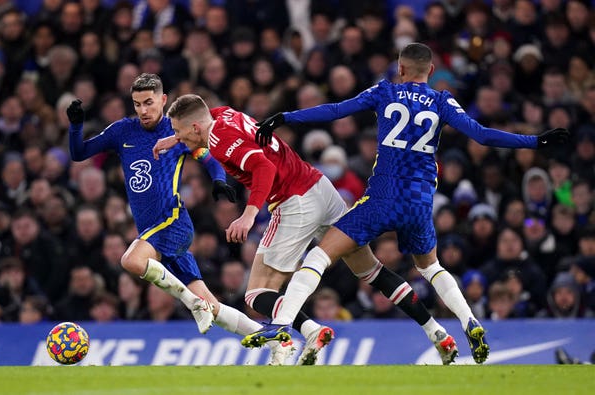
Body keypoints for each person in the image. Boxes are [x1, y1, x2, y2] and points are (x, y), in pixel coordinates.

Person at [249, 43, 570, 364]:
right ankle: (469, 320)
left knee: (319, 255)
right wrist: (536, 141)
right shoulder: (442, 100)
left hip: (382, 199)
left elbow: (335, 110)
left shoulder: (385, 91)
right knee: (431, 266)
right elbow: (483, 135)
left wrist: (286, 117)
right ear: (430, 72)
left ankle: (281, 323)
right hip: (418, 203)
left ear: (399, 68)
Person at [153, 94, 459, 366]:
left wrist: (248, 215)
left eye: (178, 131)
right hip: (321, 187)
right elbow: (208, 112)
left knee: (257, 294)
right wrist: (175, 140)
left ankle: (307, 331)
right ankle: (437, 332)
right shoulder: (223, 115)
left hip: (293, 203)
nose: (177, 137)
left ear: (195, 127)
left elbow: (263, 168)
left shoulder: (219, 142)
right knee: (371, 272)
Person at [66, 73, 291, 365]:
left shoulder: (178, 132)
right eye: (137, 104)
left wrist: (219, 180)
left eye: (149, 102)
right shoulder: (122, 131)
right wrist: (75, 125)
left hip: (172, 221)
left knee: (131, 261)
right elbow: (79, 152)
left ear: (163, 100)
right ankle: (278, 342)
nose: (143, 110)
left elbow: (208, 157)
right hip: (152, 229)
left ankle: (191, 303)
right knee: (213, 307)